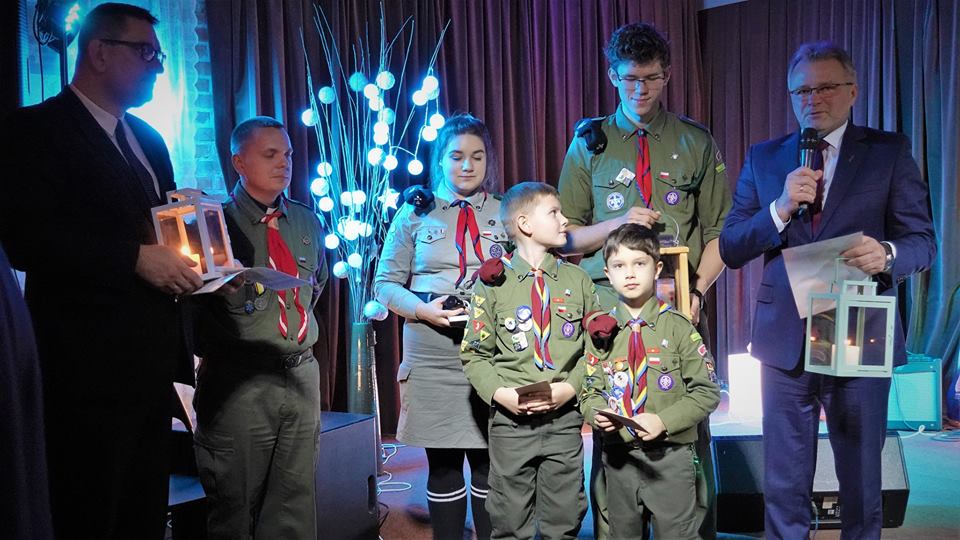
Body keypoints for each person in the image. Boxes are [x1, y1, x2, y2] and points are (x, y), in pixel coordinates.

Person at [0, 4, 202, 538]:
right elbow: (24, 239)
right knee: (88, 514)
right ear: (99, 52)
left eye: (160, 55)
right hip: (82, 369)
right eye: (147, 52)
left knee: (143, 513)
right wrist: (132, 258)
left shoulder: (149, 139)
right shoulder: (33, 130)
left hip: (151, 368)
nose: (159, 66)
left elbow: (158, 231)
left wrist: (199, 249)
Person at [719, 42, 936, 539]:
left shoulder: (887, 152)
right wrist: (778, 208)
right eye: (802, 91)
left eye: (825, 88)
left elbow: (922, 243)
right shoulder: (765, 157)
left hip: (857, 328)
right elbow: (731, 246)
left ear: (852, 91)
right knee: (783, 481)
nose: (813, 99)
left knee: (861, 479)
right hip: (785, 338)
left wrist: (887, 254)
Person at [557, 22, 729, 538]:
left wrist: (696, 294)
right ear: (613, 76)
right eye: (630, 78)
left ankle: (693, 528)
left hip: (679, 305)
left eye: (651, 78)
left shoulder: (695, 141)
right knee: (611, 421)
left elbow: (719, 232)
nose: (641, 89)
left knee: (686, 418)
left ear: (667, 76)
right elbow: (566, 237)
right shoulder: (589, 143)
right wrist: (618, 222)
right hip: (610, 312)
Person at [192, 116, 328, 539]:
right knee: (234, 505)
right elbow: (195, 310)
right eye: (270, 154)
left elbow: (314, 288)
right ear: (239, 162)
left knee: (294, 505)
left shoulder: (305, 221)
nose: (283, 163)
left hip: (300, 374)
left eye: (287, 154)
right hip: (242, 381)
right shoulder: (213, 224)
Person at [374, 113, 504, 539]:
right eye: (456, 156)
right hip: (431, 353)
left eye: (477, 156)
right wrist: (423, 310)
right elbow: (385, 284)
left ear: (488, 161)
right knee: (444, 464)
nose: (467, 165)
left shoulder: (506, 211)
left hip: (493, 353)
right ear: (440, 160)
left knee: (488, 461)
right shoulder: (414, 213)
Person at [460, 181, 599, 539]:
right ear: (524, 224)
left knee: (564, 517)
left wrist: (571, 388)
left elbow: (595, 349)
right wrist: (501, 395)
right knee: (509, 519)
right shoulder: (493, 282)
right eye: (554, 212)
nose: (564, 220)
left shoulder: (577, 280)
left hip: (564, 421)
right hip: (511, 424)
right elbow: (475, 354)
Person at [580, 223, 720, 539]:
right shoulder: (600, 332)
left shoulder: (680, 328)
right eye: (619, 266)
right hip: (619, 458)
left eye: (639, 263)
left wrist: (663, 421)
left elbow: (707, 391)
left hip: (670, 458)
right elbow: (589, 390)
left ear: (657, 269)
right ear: (607, 273)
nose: (629, 273)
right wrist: (597, 414)